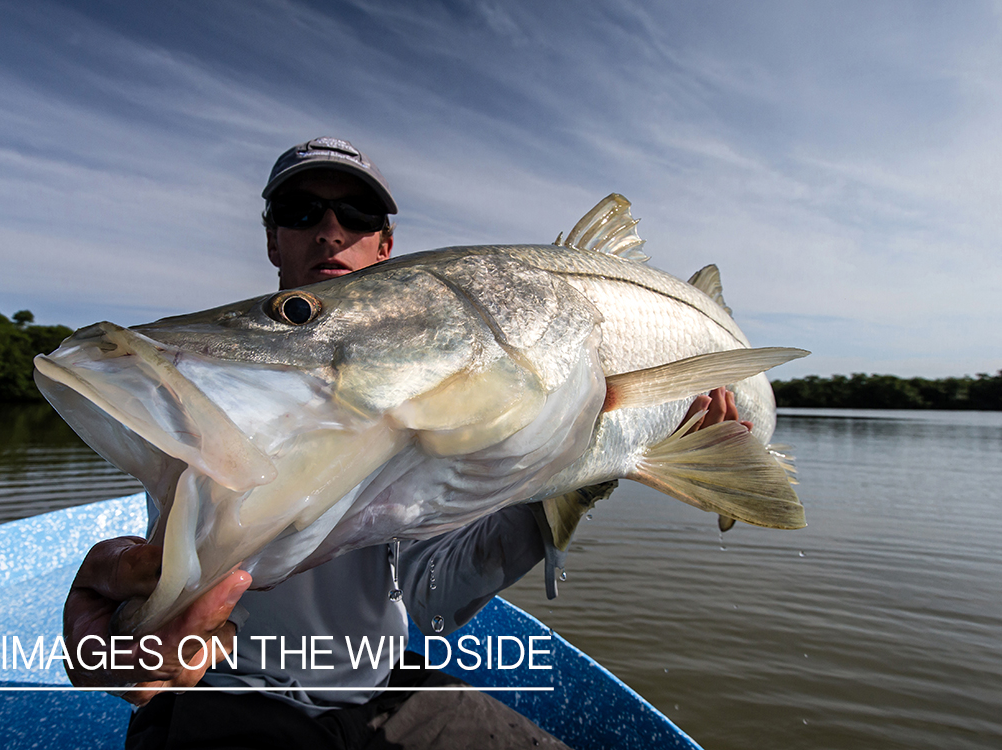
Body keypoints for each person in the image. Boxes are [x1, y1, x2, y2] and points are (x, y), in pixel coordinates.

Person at [63, 137, 751, 749]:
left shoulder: (445, 418)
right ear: (273, 240)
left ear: (384, 245)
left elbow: (431, 594)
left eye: (356, 215)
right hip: (234, 697)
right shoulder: (231, 397)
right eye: (301, 212)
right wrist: (124, 638)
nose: (330, 232)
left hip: (382, 686)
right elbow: (144, 622)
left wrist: (579, 478)